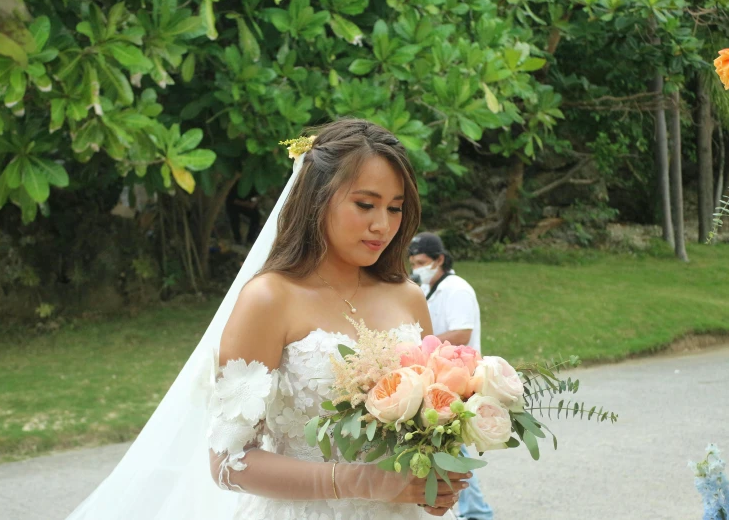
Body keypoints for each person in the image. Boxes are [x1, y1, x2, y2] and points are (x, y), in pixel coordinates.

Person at [65, 119, 472, 520]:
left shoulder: (409, 297)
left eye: (395, 208)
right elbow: (229, 461)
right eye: (365, 204)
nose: (382, 224)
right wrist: (360, 481)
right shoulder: (269, 299)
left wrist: (436, 482)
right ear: (317, 198)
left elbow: (425, 426)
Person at [408, 232, 493, 520]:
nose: (417, 267)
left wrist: (426, 347)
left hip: (460, 380)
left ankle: (477, 513)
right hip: (438, 380)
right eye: (413, 262)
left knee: (455, 450)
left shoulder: (456, 289)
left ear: (439, 259)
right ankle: (472, 511)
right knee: (450, 449)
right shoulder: (428, 289)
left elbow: (462, 332)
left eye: (422, 261)